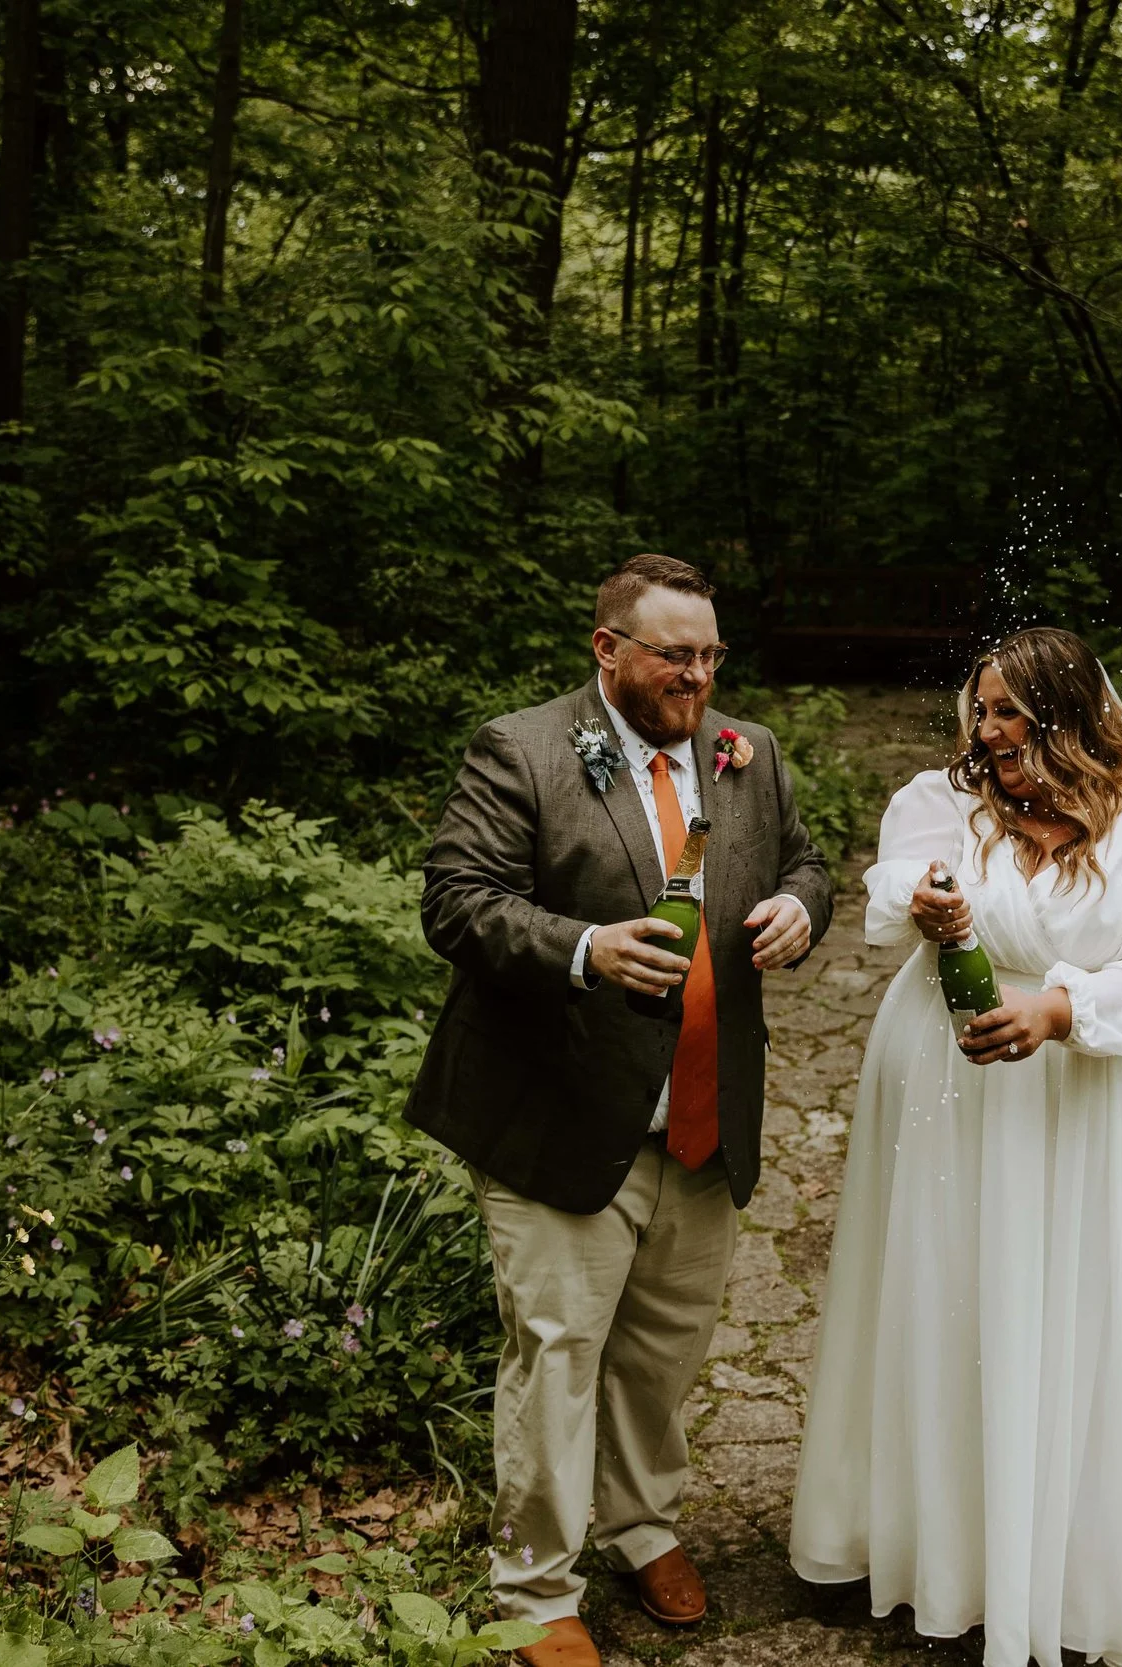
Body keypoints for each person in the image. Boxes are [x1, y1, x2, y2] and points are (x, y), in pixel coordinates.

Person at [405, 554, 833, 1667]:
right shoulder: (523, 750)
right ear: (608, 649)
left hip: (701, 1112)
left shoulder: (748, 753)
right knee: (555, 1347)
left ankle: (643, 1525)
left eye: (709, 654)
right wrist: (584, 948)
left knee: (664, 1351)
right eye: (672, 654)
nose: (696, 676)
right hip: (560, 1108)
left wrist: (799, 906)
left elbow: (803, 861)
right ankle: (537, 1583)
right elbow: (456, 903)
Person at [789, 626, 1122, 1667]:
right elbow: (892, 889)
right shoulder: (947, 801)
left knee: (1079, 1303)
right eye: (979, 711)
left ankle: (1072, 1571)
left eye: (1009, 712)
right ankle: (942, 1548)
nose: (987, 731)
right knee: (949, 1297)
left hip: (1094, 1098)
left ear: (1068, 713)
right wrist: (929, 900)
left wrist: (1059, 1009)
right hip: (948, 1084)